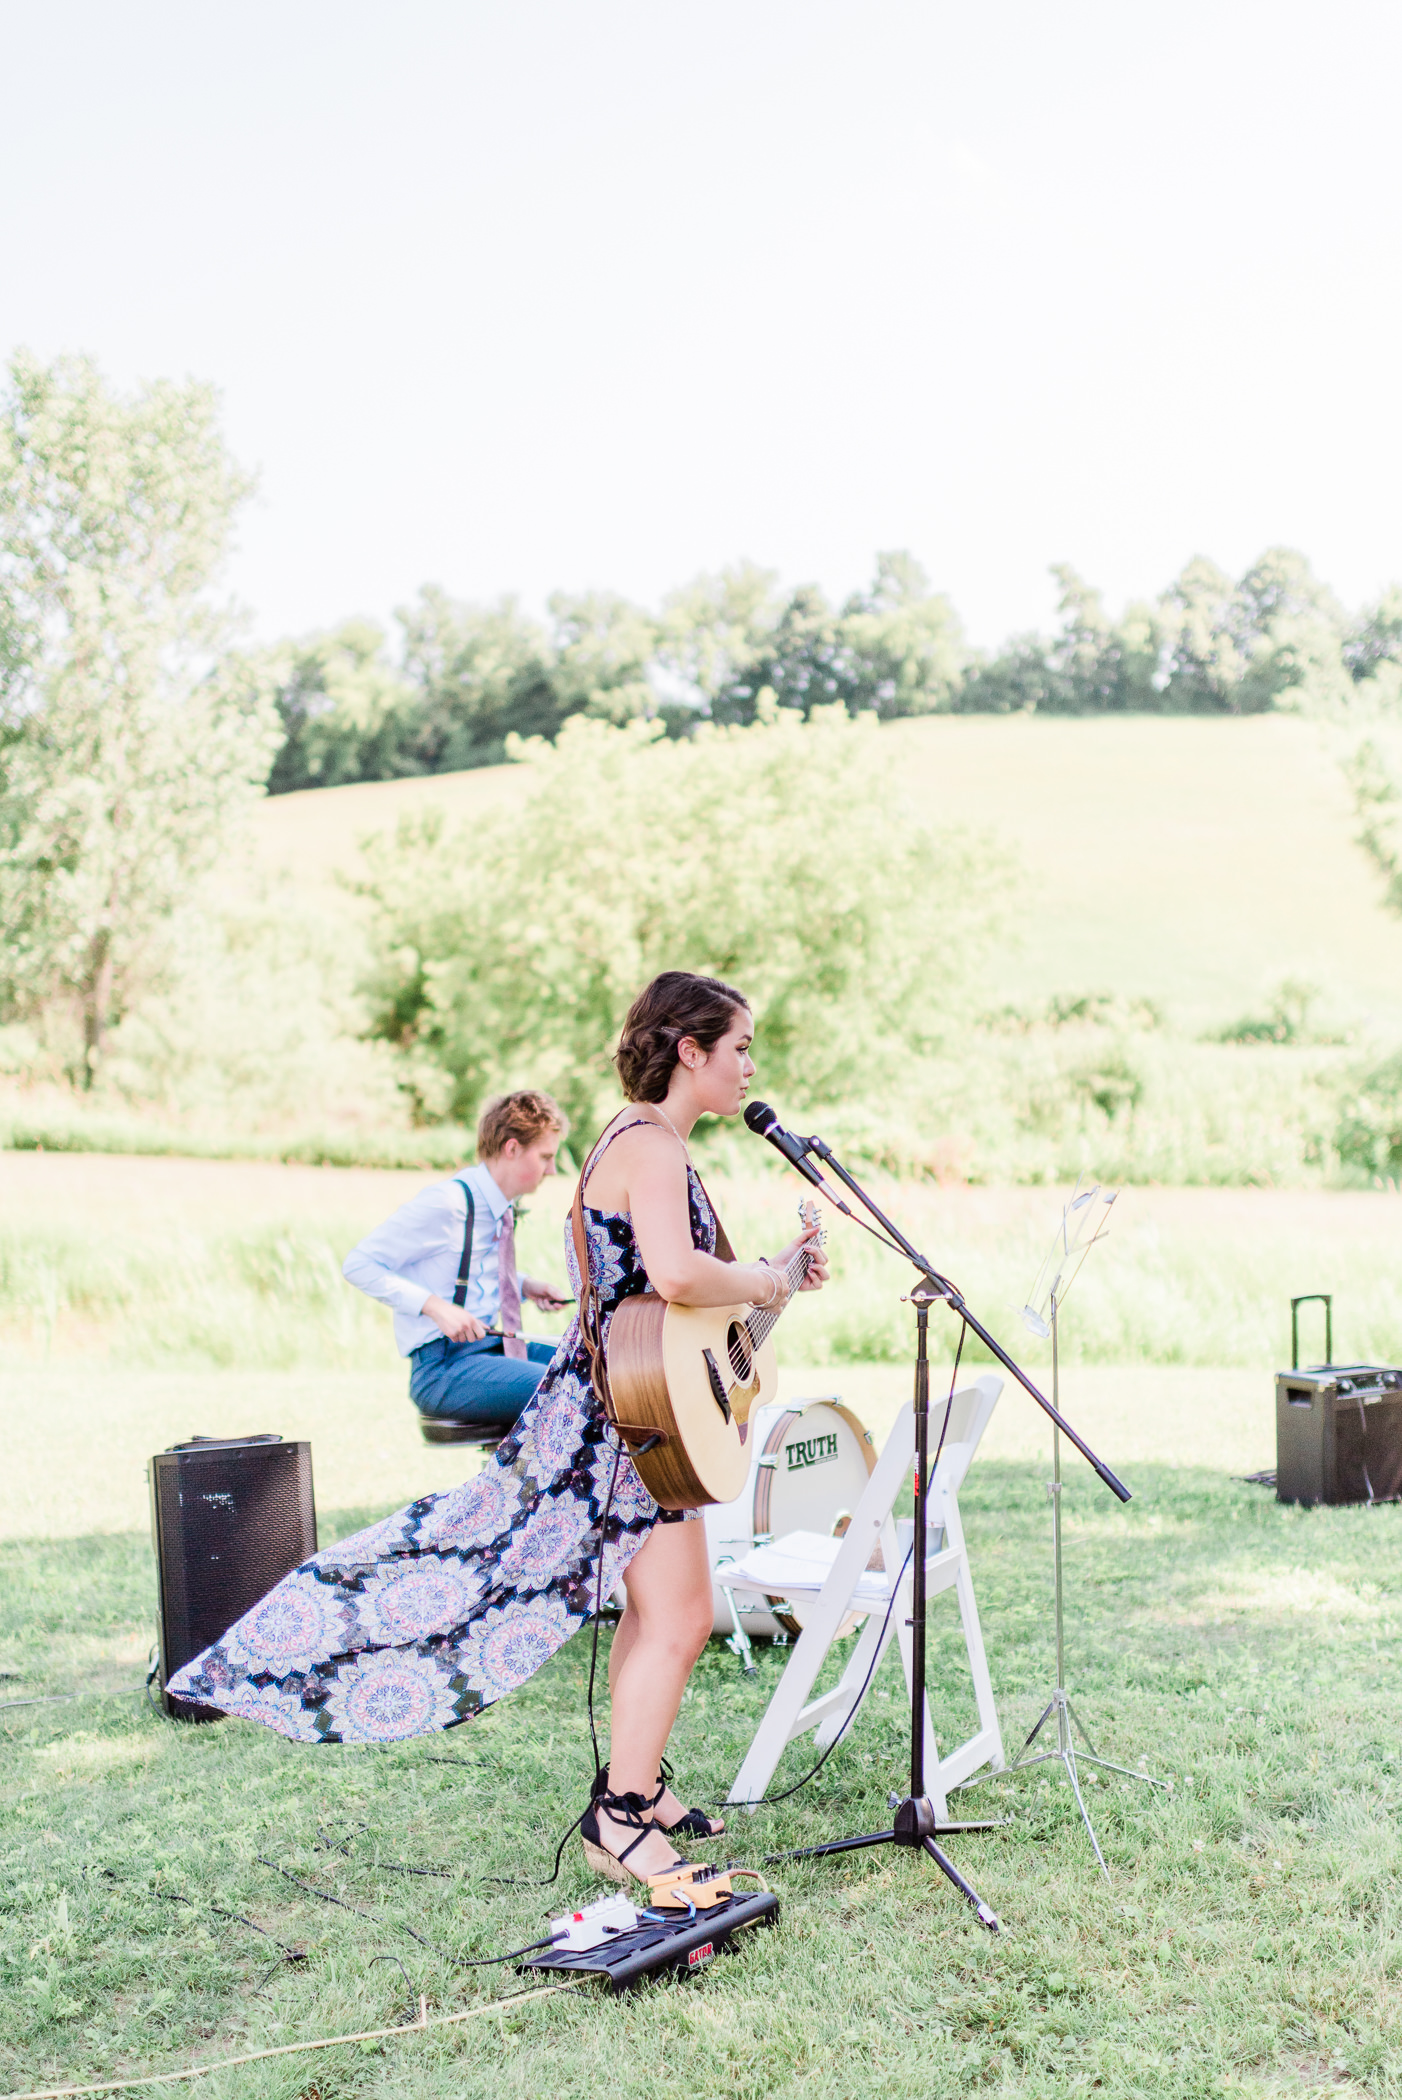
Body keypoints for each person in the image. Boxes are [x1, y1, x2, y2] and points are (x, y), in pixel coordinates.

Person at [166, 971, 828, 1889]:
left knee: (651, 1610)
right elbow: (677, 1277)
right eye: (741, 1046)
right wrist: (761, 1275)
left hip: (637, 1409)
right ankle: (624, 1819)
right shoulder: (654, 1148)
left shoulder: (638, 1142)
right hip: (629, 1427)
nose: (751, 1065)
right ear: (690, 1050)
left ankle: (637, 1787)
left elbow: (665, 1300)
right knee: (675, 1617)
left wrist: (777, 1272)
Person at [342, 1089, 571, 1437]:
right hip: (443, 1368)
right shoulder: (448, 1204)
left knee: (587, 1365)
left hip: (491, 1348)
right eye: (545, 1157)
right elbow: (359, 1264)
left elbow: (463, 1270)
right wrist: (435, 1307)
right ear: (512, 1148)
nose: (552, 1170)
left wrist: (523, 1285)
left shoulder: (495, 1205)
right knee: (566, 1388)